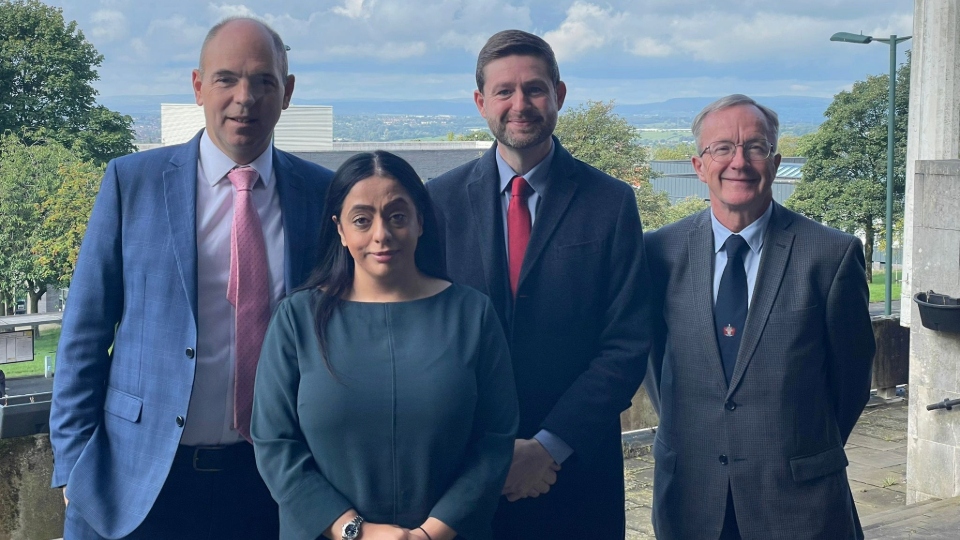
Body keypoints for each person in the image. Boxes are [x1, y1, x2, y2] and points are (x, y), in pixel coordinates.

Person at [48, 17, 333, 539]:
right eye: (227, 79)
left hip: (272, 484)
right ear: (199, 86)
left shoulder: (324, 195)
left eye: (264, 81)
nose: (244, 98)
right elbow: (84, 334)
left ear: (287, 92)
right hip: (137, 482)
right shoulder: (130, 183)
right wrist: (72, 463)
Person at [426, 30, 651, 538]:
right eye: (504, 91)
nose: (519, 104)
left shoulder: (610, 203)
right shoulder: (436, 204)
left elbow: (627, 344)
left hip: (575, 474)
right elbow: (423, 332)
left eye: (534, 89)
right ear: (481, 102)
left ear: (559, 95)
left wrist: (548, 445)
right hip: (461, 476)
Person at [252, 150, 518, 540]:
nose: (382, 234)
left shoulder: (471, 314)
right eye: (362, 220)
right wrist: (356, 532)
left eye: (397, 216)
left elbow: (495, 440)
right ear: (339, 230)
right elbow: (274, 444)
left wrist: (430, 534)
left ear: (420, 221)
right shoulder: (297, 319)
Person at [645, 94, 876, 539]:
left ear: (775, 161)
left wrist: (800, 448)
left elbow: (851, 381)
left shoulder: (831, 255)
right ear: (698, 165)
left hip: (799, 503)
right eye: (722, 149)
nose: (739, 162)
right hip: (691, 500)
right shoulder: (658, 253)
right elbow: (656, 368)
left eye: (755, 147)